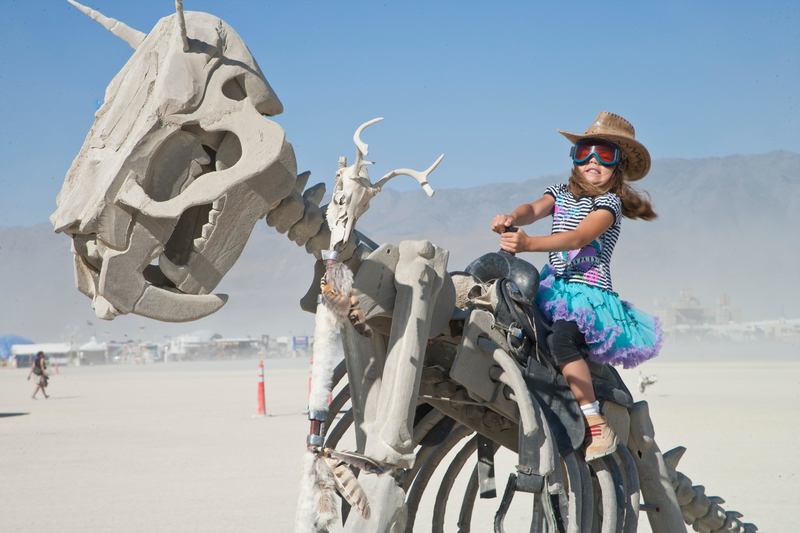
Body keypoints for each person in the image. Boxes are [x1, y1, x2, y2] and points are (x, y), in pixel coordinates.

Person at [491, 111, 662, 461]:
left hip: (588, 297)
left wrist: (527, 245)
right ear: (575, 158)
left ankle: (594, 420)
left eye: (605, 154)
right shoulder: (560, 192)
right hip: (552, 287)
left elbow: (578, 238)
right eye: (585, 152)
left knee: (562, 339)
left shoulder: (608, 203)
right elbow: (533, 208)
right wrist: (511, 218)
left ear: (618, 166)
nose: (594, 161)